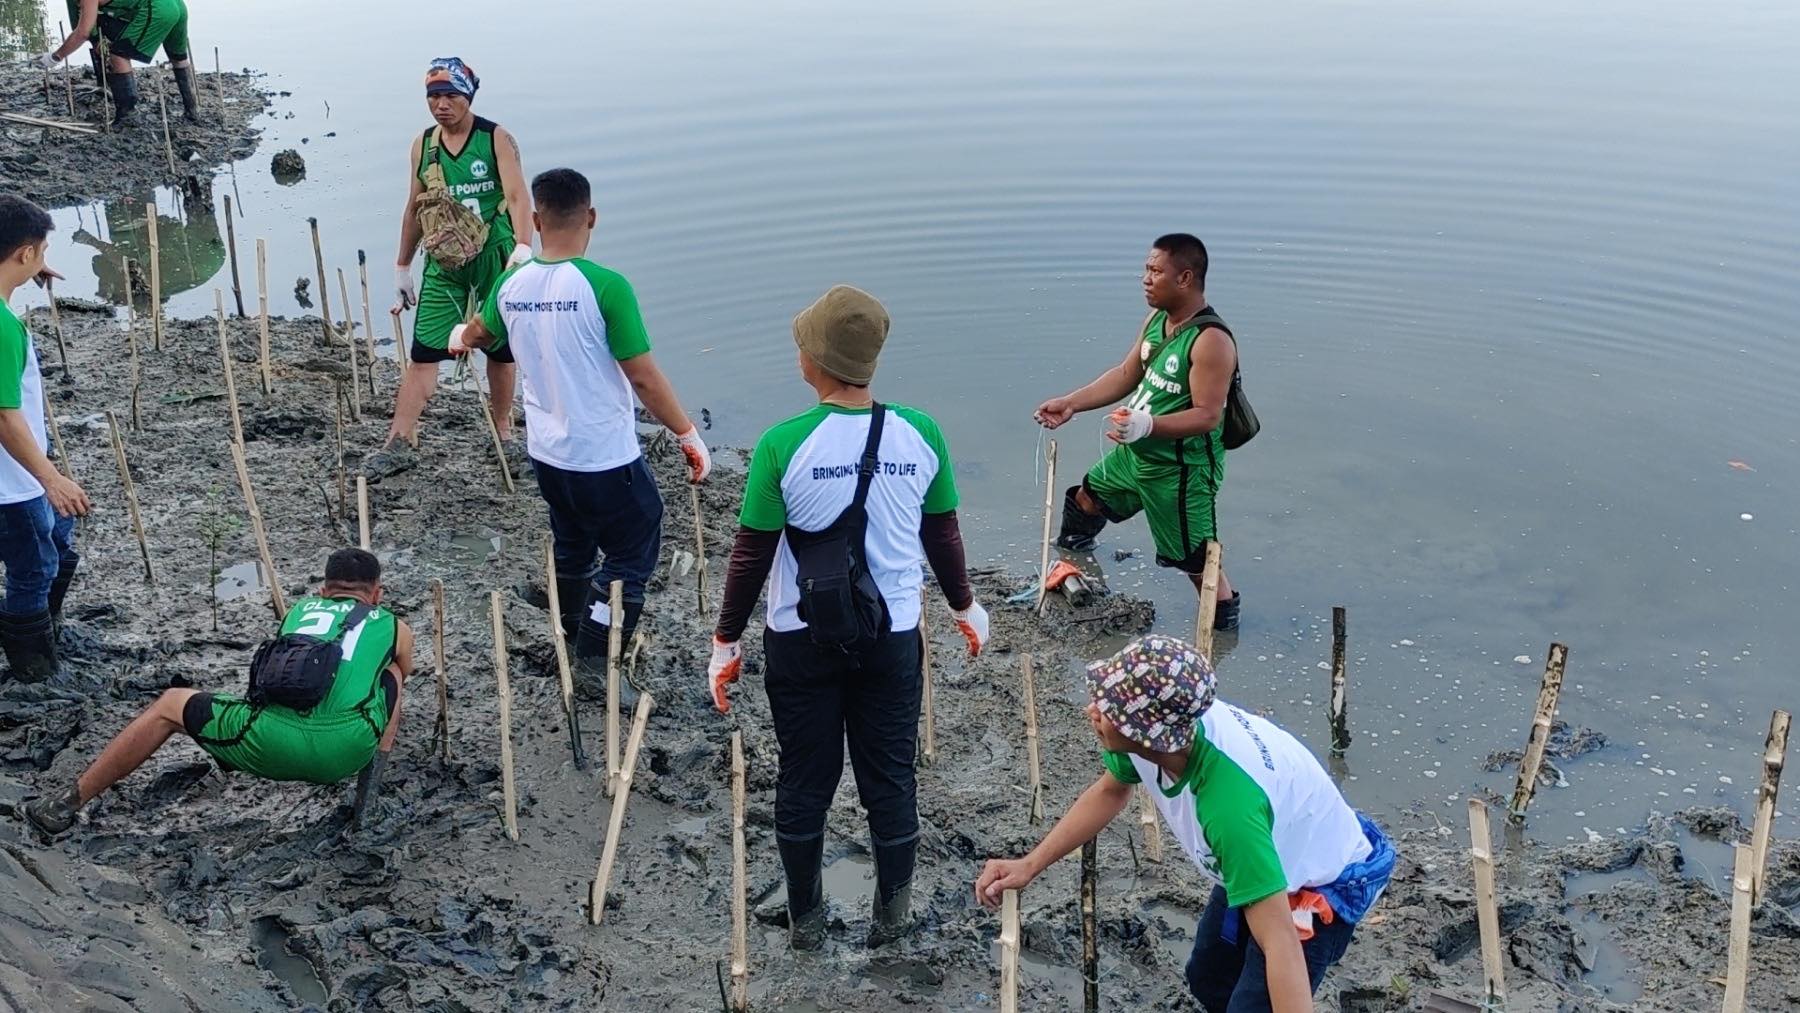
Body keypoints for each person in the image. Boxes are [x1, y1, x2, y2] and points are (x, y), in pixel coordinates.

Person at [706, 285, 990, 950]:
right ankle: (891, 923)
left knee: (805, 779)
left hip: (800, 640)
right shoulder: (921, 433)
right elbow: (941, 535)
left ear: (816, 359)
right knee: (890, 779)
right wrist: (965, 607)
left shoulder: (782, 444)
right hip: (890, 638)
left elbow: (751, 556)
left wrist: (725, 642)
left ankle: (807, 922)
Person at [975, 635, 1395, 1011]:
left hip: (1318, 885)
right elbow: (1110, 791)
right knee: (1209, 980)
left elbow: (1281, 940)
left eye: (1108, 709)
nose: (1092, 711)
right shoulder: (1154, 733)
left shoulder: (1229, 807)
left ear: (1150, 734)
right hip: (1260, 857)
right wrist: (1030, 864)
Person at [454, 168, 709, 697]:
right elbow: (642, 376)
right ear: (591, 217)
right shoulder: (606, 286)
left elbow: (477, 334)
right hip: (603, 454)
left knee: (572, 542)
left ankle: (571, 635)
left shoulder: (511, 282)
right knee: (630, 553)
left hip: (547, 452)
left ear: (537, 219)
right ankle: (595, 664)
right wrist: (687, 434)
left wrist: (462, 333)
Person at [23, 548, 414, 837]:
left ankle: (66, 804)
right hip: (344, 753)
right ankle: (365, 812)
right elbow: (407, 671)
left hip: (262, 743)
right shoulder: (394, 625)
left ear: (323, 590)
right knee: (393, 673)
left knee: (169, 705)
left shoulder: (300, 610)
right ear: (377, 594)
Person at [1034, 233, 1242, 631]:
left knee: (1198, 561)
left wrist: (1146, 425)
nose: (1145, 279)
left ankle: (1223, 636)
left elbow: (1207, 416)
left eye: (1155, 271)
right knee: (1086, 499)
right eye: (1146, 269)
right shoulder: (1157, 321)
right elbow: (1127, 374)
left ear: (1184, 278)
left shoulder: (1211, 341)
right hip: (1135, 455)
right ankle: (1074, 567)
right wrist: (1072, 402)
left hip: (1180, 471)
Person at [373, 57, 534, 471]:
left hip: (493, 256)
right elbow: (414, 206)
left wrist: (522, 248)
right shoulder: (424, 145)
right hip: (444, 260)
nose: (441, 105)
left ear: (468, 96)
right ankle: (400, 439)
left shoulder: (495, 138)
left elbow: (517, 196)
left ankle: (503, 432)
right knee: (425, 350)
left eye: (450, 96)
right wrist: (402, 266)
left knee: (500, 350)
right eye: (434, 97)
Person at [0, 195, 88, 683]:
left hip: (17, 476)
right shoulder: (3, 329)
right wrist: (51, 478)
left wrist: (25, 268)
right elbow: (5, 416)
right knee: (33, 569)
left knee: (59, 545)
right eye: (40, 248)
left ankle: (39, 628)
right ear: (24, 253)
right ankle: (34, 672)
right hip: (12, 481)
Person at [40, 0, 202, 124]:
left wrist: (55, 57)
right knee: (178, 59)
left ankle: (127, 117)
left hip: (159, 9)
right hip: (177, 6)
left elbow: (82, 32)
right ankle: (192, 110)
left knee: (117, 53)